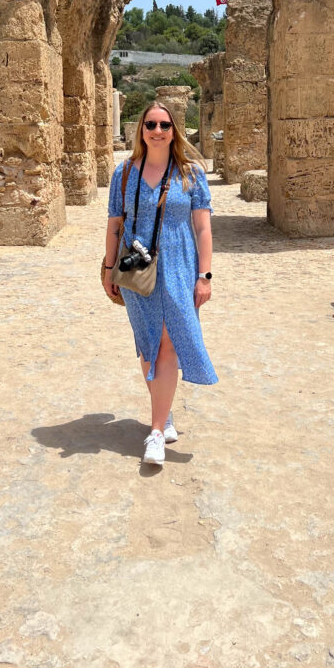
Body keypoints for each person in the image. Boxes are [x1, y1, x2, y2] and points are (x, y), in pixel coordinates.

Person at [103, 101, 217, 466]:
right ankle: (163, 412)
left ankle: (155, 433)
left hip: (182, 269)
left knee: (169, 342)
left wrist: (205, 274)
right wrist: (109, 268)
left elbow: (202, 228)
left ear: (174, 130)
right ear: (142, 130)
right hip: (140, 273)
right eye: (150, 124)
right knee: (149, 344)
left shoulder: (191, 174)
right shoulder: (123, 174)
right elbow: (114, 225)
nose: (157, 130)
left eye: (164, 125)